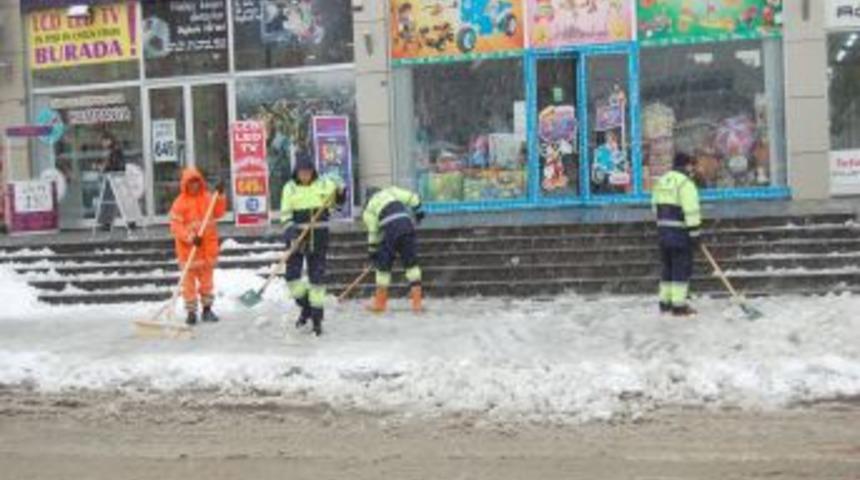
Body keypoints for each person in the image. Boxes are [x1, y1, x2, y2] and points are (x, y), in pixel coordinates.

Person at [280, 152, 346, 336]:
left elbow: (338, 205)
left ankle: (317, 319)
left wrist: (341, 192)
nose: (305, 175)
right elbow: (285, 213)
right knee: (292, 278)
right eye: (302, 172)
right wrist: (290, 230)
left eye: (308, 171)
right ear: (296, 172)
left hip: (319, 237)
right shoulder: (289, 188)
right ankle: (306, 307)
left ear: (313, 171)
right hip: (297, 237)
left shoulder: (324, 184)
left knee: (317, 280)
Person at [169, 167, 227, 325]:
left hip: (207, 249)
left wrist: (220, 195)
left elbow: (219, 213)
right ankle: (191, 312)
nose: (194, 185)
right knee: (188, 285)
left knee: (207, 283)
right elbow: (175, 226)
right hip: (188, 251)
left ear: (200, 182)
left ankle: (207, 310)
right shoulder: (179, 203)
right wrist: (190, 237)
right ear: (185, 184)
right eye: (191, 182)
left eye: (196, 182)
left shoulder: (208, 198)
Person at [652, 152, 702, 317]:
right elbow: (691, 210)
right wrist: (695, 234)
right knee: (681, 269)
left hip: (663, 233)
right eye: (691, 165)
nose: (692, 168)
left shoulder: (662, 181)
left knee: (667, 268)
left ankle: (665, 301)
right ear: (686, 165)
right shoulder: (685, 183)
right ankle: (679, 305)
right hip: (680, 234)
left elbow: (654, 207)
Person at [362, 186, 424, 313]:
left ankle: (380, 305)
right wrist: (418, 212)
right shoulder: (391, 191)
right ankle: (417, 304)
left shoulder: (368, 210)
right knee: (411, 264)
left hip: (389, 228)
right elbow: (414, 199)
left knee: (383, 268)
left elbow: (373, 232)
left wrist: (373, 252)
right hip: (406, 225)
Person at [96, 132, 127, 231]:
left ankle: (107, 222)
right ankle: (107, 222)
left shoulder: (114, 151)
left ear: (109, 140)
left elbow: (114, 164)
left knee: (109, 199)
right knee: (111, 199)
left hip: (113, 177)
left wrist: (103, 168)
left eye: (103, 141)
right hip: (114, 177)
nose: (102, 143)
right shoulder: (112, 150)